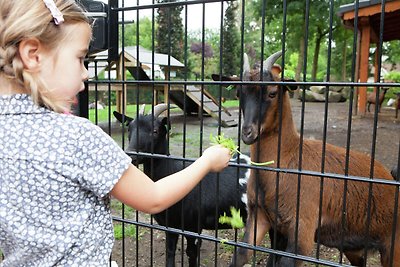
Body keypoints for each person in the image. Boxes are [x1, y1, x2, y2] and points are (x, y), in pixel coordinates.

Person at [0, 1, 231, 266]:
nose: (87, 72)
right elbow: (153, 198)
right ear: (33, 54)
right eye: (80, 58)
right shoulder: (77, 137)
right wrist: (206, 161)